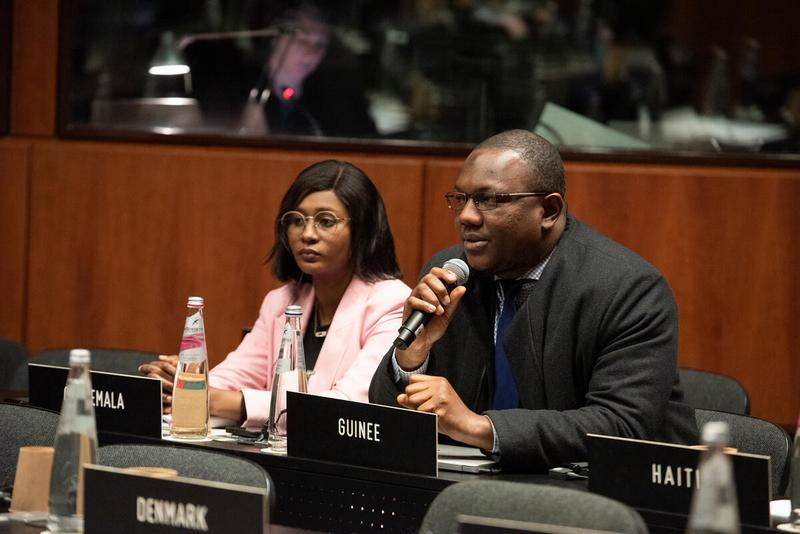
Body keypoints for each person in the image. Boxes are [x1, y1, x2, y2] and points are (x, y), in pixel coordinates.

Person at [369, 129, 698, 471]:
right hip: (475, 486)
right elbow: (383, 414)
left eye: (489, 200)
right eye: (460, 198)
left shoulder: (626, 288)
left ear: (549, 210)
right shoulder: (451, 276)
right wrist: (412, 356)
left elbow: (621, 426)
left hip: (611, 497)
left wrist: (481, 428)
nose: (466, 216)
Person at [141, 160, 409, 427]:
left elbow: (344, 406)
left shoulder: (391, 303)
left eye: (326, 222)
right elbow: (238, 374)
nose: (307, 234)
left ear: (363, 230)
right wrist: (183, 381)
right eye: (296, 221)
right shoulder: (281, 301)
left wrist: (222, 401)